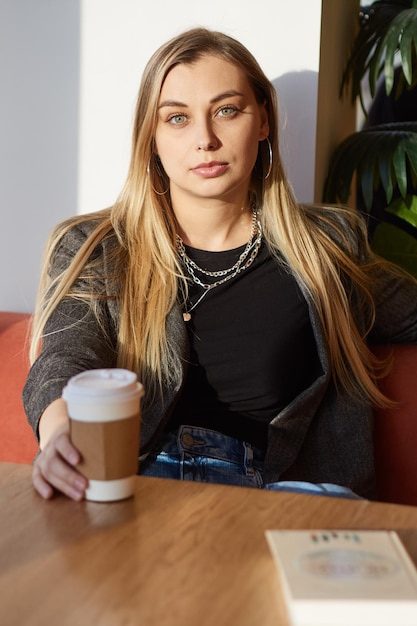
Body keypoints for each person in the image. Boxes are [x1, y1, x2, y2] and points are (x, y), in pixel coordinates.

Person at [23, 27, 417, 502]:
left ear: (264, 120)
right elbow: (67, 358)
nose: (205, 139)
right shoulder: (97, 246)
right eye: (177, 118)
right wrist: (61, 430)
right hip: (141, 488)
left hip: (282, 501)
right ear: (151, 136)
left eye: (226, 110)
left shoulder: (326, 248)